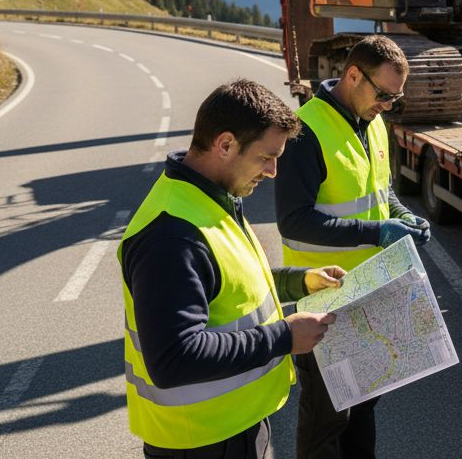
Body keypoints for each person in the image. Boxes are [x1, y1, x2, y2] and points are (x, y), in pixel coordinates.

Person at [119, 78, 343, 458]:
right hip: (202, 442)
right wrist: (284, 338)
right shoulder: (171, 236)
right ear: (225, 144)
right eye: (265, 157)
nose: (273, 172)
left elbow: (231, 286)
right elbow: (174, 358)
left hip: (233, 428)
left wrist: (299, 282)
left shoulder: (211, 197)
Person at [275, 34, 431, 459]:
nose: (388, 105)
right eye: (384, 94)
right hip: (324, 301)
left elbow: (383, 191)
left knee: (363, 409)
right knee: (326, 423)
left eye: (395, 98)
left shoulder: (374, 121)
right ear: (353, 75)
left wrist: (400, 216)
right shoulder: (305, 131)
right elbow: (294, 221)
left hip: (369, 295)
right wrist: (376, 232)